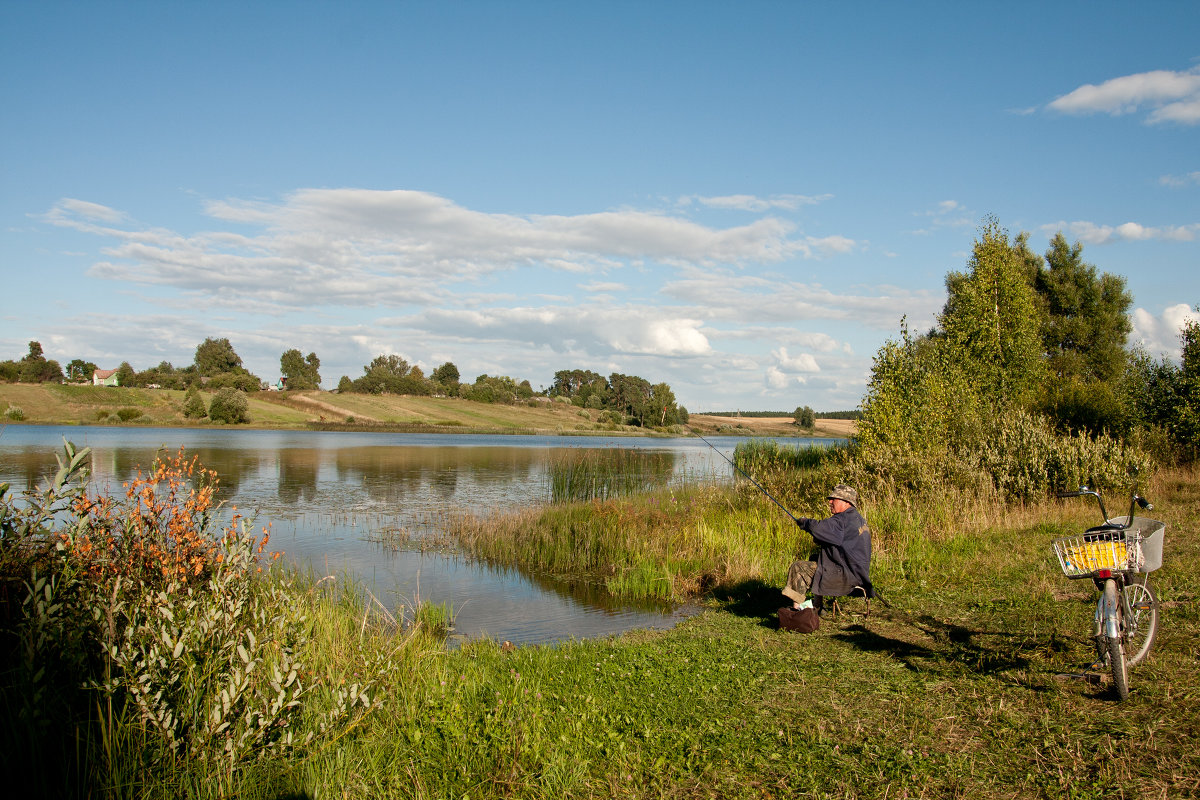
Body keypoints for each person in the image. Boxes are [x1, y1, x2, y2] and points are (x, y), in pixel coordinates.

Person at [782, 484, 872, 613]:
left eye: (834, 499)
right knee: (816, 558)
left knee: (799, 567)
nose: (830, 501)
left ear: (846, 502)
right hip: (859, 573)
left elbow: (818, 527)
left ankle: (797, 611)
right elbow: (836, 539)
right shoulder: (857, 519)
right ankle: (818, 605)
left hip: (846, 576)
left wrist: (804, 522)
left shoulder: (841, 520)